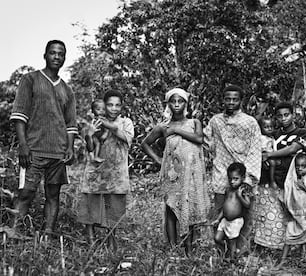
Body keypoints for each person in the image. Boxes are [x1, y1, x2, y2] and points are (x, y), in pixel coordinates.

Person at [10, 40, 77, 236]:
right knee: (26, 193)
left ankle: (47, 236)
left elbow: (71, 124)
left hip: (58, 152)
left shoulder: (67, 90)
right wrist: (23, 145)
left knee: (53, 195)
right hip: (33, 149)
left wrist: (70, 148)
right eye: (53, 53)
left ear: (64, 58)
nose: (57, 57)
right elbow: (19, 115)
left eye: (61, 54)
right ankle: (12, 236)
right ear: (45, 55)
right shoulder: (30, 80)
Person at [141, 88, 210, 255]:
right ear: (168, 104)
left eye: (181, 101)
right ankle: (172, 247)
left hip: (192, 174)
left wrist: (177, 130)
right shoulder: (163, 127)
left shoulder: (194, 123)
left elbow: (199, 139)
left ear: (186, 104)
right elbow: (144, 143)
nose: (177, 104)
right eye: (173, 101)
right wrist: (159, 160)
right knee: (171, 207)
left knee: (191, 206)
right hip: (173, 175)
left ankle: (189, 246)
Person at [204, 84, 262, 254]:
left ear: (241, 101)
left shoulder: (250, 122)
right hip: (222, 174)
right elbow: (206, 141)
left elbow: (255, 150)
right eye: (227, 99)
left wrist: (249, 179)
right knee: (220, 212)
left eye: (234, 99)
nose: (231, 102)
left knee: (245, 215)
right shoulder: (215, 121)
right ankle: (221, 252)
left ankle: (241, 251)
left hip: (243, 176)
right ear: (223, 99)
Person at [78, 90, 134, 250]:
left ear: (122, 106)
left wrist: (106, 123)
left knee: (114, 209)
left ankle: (111, 242)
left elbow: (124, 137)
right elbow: (89, 148)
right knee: (90, 207)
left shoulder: (126, 122)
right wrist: (89, 134)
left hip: (116, 174)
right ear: (104, 105)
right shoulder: (93, 123)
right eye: (110, 105)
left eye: (117, 105)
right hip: (95, 172)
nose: (113, 108)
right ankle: (91, 241)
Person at [254, 102, 306, 250]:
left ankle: (300, 247)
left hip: (294, 180)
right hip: (276, 179)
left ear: (293, 115)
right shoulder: (274, 134)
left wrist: (269, 155)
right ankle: (275, 245)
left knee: (297, 213)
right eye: (280, 116)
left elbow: (293, 148)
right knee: (274, 214)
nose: (283, 118)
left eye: (287, 115)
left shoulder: (301, 132)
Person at [277, 152, 306, 267]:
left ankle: (302, 260)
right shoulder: (292, 179)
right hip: (294, 213)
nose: (300, 169)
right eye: (297, 166)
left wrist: (304, 187)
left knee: (305, 239)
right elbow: (287, 194)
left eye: (303, 166)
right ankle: (282, 262)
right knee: (289, 237)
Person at [213, 162, 251, 260]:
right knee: (217, 238)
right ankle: (226, 248)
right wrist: (218, 219)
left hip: (235, 221)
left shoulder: (243, 190)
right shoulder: (228, 190)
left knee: (232, 241)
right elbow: (224, 207)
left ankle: (232, 259)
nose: (232, 181)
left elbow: (247, 205)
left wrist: (239, 196)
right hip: (225, 220)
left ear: (242, 178)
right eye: (230, 179)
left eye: (236, 179)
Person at [258, 117, 277, 188]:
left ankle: (271, 180)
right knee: (271, 163)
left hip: (270, 155)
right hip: (262, 154)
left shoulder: (271, 138)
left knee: (273, 163)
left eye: (271, 127)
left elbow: (274, 148)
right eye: (266, 127)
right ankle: (271, 181)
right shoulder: (260, 137)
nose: (269, 129)